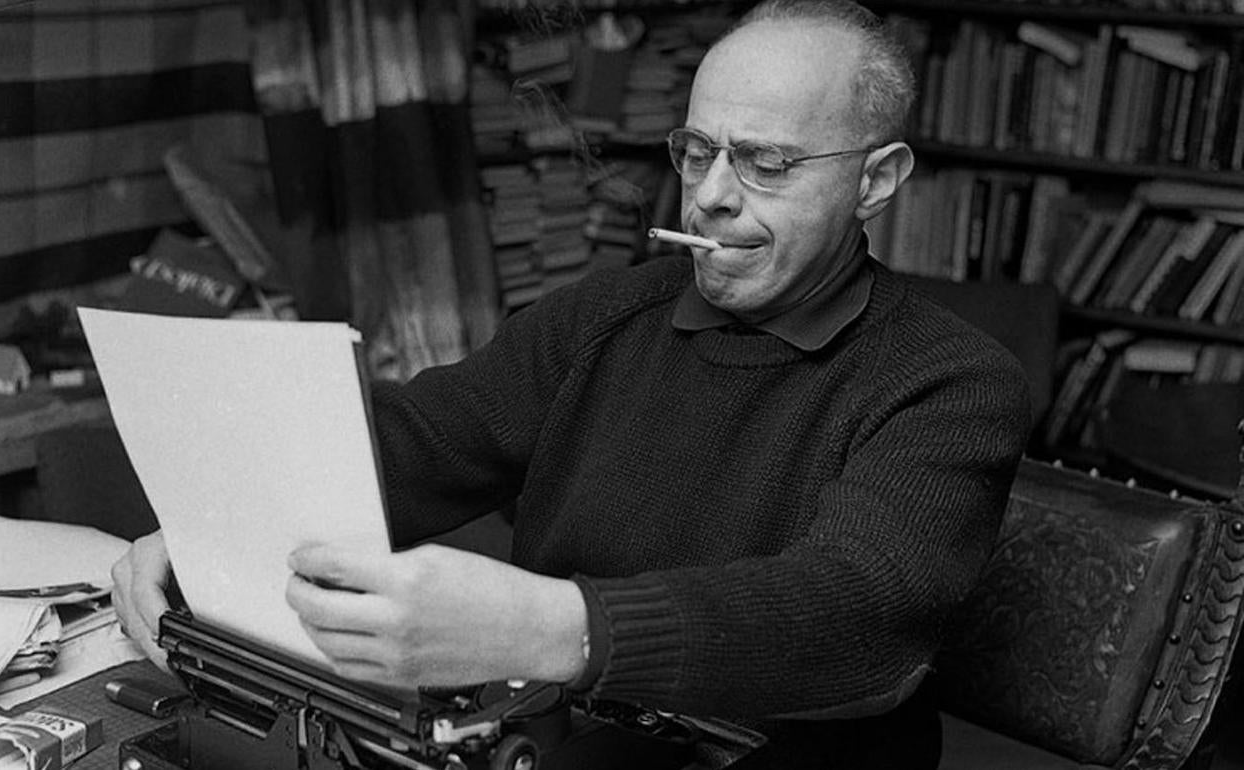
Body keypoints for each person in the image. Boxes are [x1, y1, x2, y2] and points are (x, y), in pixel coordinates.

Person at [111, 1, 1032, 767]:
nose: (710, 196)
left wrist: (553, 628)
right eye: (696, 150)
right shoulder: (607, 316)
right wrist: (219, 520)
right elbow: (421, 439)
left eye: (767, 163)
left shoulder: (953, 383)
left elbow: (856, 609)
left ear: (877, 181)